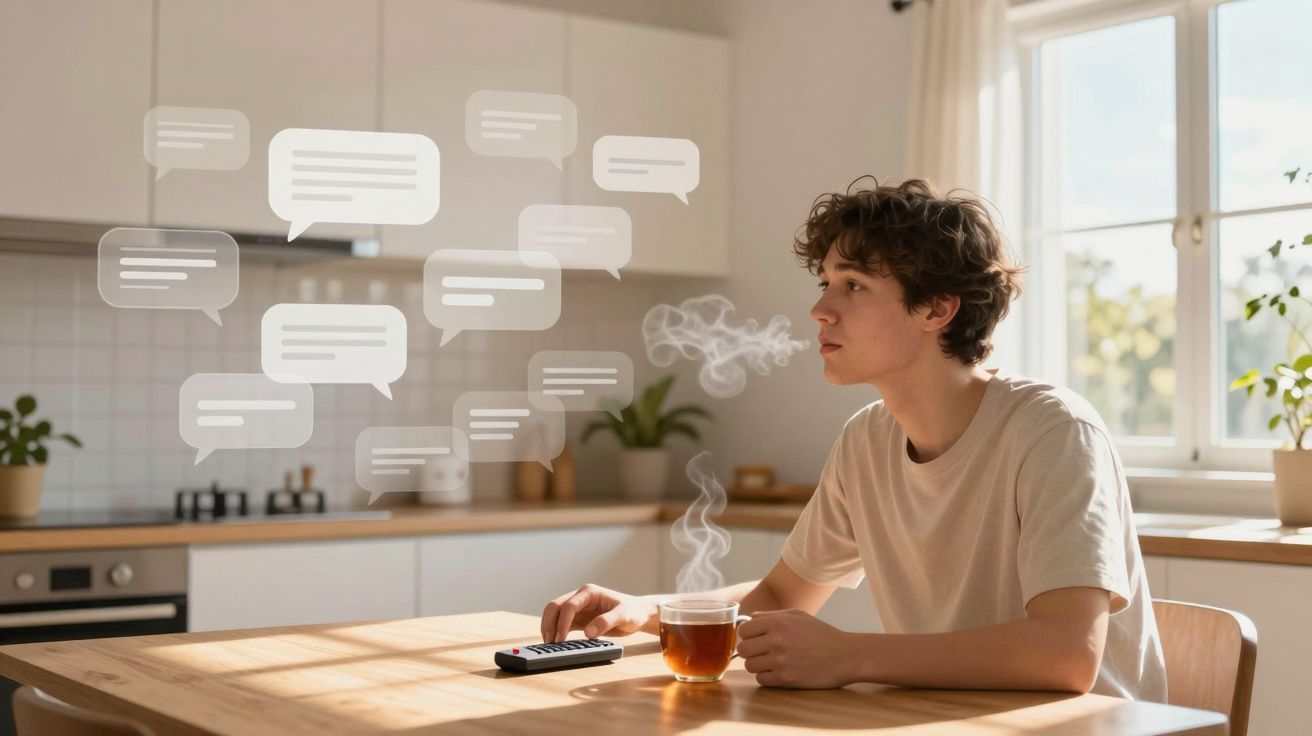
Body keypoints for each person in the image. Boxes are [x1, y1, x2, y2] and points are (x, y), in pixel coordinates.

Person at [540, 178, 1167, 700]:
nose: (820, 309)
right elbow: (784, 595)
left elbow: (1065, 656)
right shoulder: (866, 440)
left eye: (855, 286)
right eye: (825, 282)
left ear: (937, 309)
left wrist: (850, 656)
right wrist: (648, 609)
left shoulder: (1053, 431)